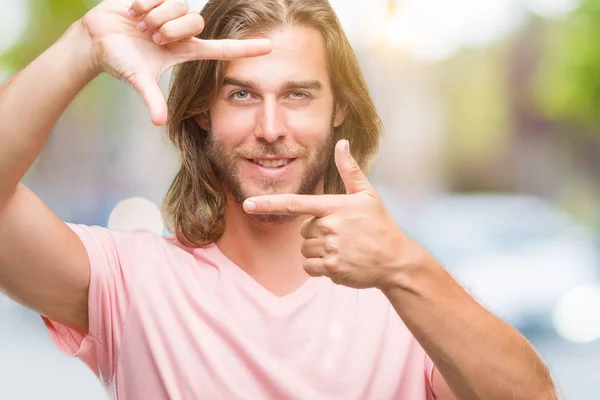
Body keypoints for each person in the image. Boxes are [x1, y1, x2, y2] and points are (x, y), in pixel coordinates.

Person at [0, 0, 559, 399]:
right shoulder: (129, 281)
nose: (270, 127)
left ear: (339, 108)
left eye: (297, 94)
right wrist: (82, 47)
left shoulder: (410, 296)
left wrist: (403, 268)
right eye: (241, 94)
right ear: (202, 111)